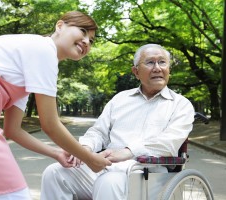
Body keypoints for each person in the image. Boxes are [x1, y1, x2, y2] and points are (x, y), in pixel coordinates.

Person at [0, 11, 112, 200]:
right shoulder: (44, 50)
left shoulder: (29, 60)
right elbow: (50, 124)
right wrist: (90, 158)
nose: (87, 42)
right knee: (11, 194)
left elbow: (13, 130)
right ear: (59, 26)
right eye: (82, 31)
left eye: (92, 40)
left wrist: (56, 153)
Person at [40, 44, 195, 200]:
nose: (157, 68)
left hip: (148, 173)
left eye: (162, 62)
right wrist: (84, 149)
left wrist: (128, 152)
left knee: (109, 181)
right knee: (55, 172)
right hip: (107, 167)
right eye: (150, 62)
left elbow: (168, 143)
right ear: (135, 72)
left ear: (169, 69)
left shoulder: (180, 105)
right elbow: (98, 131)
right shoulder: (120, 99)